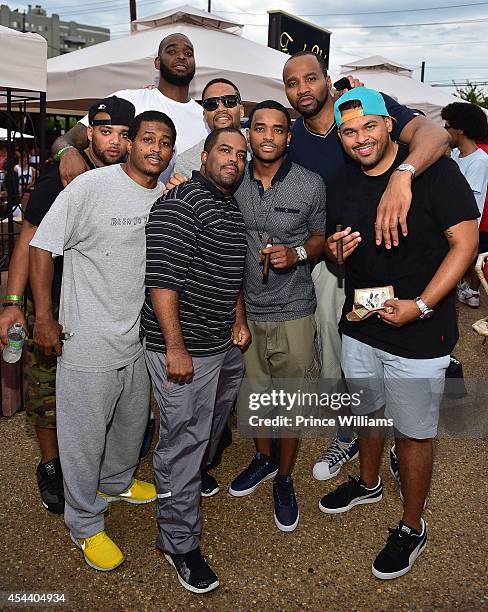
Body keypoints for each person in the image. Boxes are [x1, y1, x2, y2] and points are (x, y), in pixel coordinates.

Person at [318, 87, 479, 580]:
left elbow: (465, 244)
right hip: (361, 324)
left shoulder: (435, 171)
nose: (360, 139)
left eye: (369, 126)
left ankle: (412, 524)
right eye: (349, 131)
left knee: (412, 432)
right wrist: (336, 250)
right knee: (367, 411)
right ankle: (367, 482)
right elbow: (332, 248)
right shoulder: (343, 179)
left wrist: (423, 306)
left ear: (390, 124)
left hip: (418, 332)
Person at [282, 50, 451, 481]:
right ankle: (356, 433)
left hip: (401, 262)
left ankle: (402, 438)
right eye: (292, 83)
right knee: (345, 358)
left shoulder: (371, 103)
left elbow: (434, 136)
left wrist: (402, 174)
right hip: (338, 257)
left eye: (310, 79)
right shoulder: (291, 134)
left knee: (397, 354)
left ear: (327, 79)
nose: (303, 89)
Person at [29, 110, 176, 572]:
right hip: (88, 339)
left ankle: (115, 483)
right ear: (130, 143)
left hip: (136, 338)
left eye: (165, 142)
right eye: (147, 138)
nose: (155, 148)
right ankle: (84, 524)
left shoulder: (164, 198)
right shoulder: (91, 186)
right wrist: (45, 317)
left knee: (131, 427)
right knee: (83, 438)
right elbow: (41, 246)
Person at [0, 96, 135, 515]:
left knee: (100, 394)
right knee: (46, 389)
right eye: (105, 131)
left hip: (102, 308)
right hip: (53, 302)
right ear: (89, 132)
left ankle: (103, 470)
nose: (114, 141)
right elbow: (28, 241)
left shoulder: (131, 178)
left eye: (123, 134)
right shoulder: (59, 179)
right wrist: (15, 304)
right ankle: (51, 464)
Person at [141, 127, 249, 594]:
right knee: (182, 443)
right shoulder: (180, 203)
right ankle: (178, 542)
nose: (234, 160)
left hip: (221, 345)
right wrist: (176, 348)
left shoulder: (228, 206)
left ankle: (186, 486)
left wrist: (238, 320)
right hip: (184, 349)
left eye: (241, 155)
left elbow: (232, 270)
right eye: (225, 150)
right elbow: (162, 282)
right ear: (203, 156)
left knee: (204, 434)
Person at [228, 101, 326, 533]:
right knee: (255, 398)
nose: (268, 136)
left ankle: (284, 478)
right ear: (249, 134)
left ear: (289, 137)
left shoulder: (311, 184)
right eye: (260, 128)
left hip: (294, 311)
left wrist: (298, 252)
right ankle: (263, 460)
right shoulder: (230, 181)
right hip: (245, 311)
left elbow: (321, 237)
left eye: (278, 130)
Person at [167, 76, 245, 496]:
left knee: (223, 399)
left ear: (240, 105)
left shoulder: (261, 143)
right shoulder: (185, 162)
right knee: (187, 416)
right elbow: (167, 258)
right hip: (195, 312)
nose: (220, 106)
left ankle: (202, 461)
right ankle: (183, 485)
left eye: (229, 99)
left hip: (240, 301)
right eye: (211, 101)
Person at [52, 33, 208, 186]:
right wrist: (68, 153)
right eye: (172, 51)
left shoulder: (205, 117)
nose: (181, 56)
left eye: (188, 53)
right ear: (158, 62)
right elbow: (64, 141)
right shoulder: (128, 100)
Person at [441, 102, 488, 308]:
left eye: (447, 126)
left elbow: (467, 201)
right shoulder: (456, 156)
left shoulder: (479, 161)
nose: (444, 131)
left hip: (459, 231)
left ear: (460, 129)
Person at [174, 77, 245, 176]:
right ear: (204, 115)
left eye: (229, 101)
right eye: (211, 104)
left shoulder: (259, 146)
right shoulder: (186, 162)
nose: (220, 109)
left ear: (241, 111)